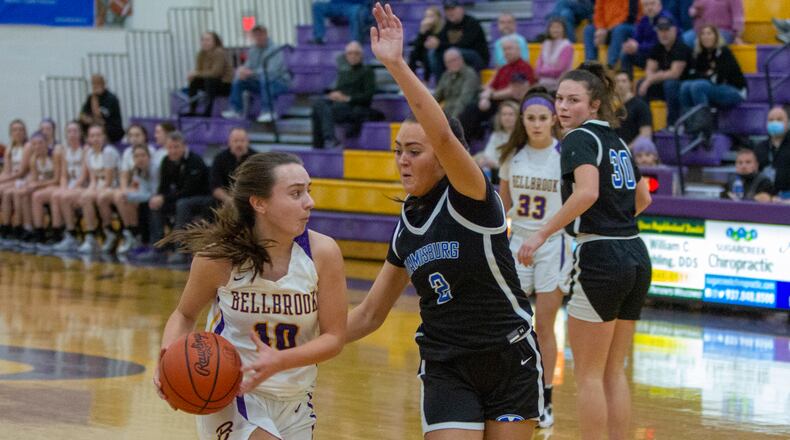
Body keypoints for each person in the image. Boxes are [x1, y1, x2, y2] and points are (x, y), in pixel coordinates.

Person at [346, 5, 544, 439]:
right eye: (398, 150)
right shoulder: (407, 224)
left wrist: (396, 65)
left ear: (443, 155)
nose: (402, 160)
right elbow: (369, 313)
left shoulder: (473, 198)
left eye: (414, 151)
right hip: (446, 366)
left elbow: (441, 133)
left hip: (509, 359)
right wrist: (298, 349)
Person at [153, 151, 347, 440]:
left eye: (308, 190)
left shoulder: (323, 253)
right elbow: (185, 314)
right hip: (233, 392)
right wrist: (167, 360)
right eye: (296, 193)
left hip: (296, 400)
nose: (310, 202)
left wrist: (281, 361)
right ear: (259, 203)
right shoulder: (219, 257)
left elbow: (334, 337)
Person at [518, 62, 653, 440]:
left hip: (602, 257)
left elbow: (588, 192)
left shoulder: (578, 139)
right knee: (613, 370)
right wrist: (614, 217)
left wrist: (541, 234)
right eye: (559, 98)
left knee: (590, 375)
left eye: (573, 100)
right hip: (636, 253)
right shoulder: (618, 141)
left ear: (594, 105)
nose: (562, 107)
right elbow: (643, 197)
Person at [497, 87, 571, 430]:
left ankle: (546, 399)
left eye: (543, 118)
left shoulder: (565, 156)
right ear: (522, 121)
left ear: (554, 119)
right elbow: (502, 206)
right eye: (531, 118)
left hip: (552, 243)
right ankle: (510, 389)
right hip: (518, 242)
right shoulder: (513, 156)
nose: (537, 124)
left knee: (544, 325)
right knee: (508, 322)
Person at [96, 124, 165, 253]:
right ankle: (113, 233)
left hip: (153, 193)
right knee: (106, 197)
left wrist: (128, 195)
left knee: (123, 198)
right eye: (131, 135)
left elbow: (153, 191)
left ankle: (134, 234)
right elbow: (125, 176)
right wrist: (125, 191)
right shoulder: (129, 154)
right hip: (136, 188)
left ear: (145, 136)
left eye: (137, 135)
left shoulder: (152, 155)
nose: (134, 138)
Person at [146, 131, 211, 264]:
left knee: (182, 204)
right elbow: (163, 187)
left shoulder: (195, 161)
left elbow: (189, 190)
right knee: (154, 203)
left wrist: (164, 198)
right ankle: (157, 246)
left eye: (176, 147)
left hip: (202, 199)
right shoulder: (166, 161)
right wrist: (159, 197)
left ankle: (179, 249)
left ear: (184, 146)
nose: (173, 151)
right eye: (170, 147)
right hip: (180, 198)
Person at [459, 36, 535, 140]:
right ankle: (463, 143)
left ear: (518, 50)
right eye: (504, 49)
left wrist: (490, 95)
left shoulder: (524, 67)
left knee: (491, 119)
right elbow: (491, 86)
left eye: (509, 48)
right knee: (470, 109)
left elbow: (514, 91)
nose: (506, 52)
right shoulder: (503, 68)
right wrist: (485, 98)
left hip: (511, 103)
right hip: (496, 102)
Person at [310, 41, 376, 149]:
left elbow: (368, 96)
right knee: (317, 104)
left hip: (353, 106)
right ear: (346, 55)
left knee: (327, 109)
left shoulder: (367, 71)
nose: (352, 56)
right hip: (338, 104)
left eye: (356, 53)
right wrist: (334, 94)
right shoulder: (344, 72)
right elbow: (340, 89)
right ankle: (323, 143)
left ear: (361, 55)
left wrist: (347, 98)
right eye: (349, 53)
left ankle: (326, 141)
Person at [222, 25, 291, 123]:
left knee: (265, 78)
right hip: (261, 82)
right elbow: (248, 65)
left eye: (260, 34)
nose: (258, 37)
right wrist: (242, 70)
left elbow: (271, 71)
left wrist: (251, 73)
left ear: (266, 35)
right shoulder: (252, 50)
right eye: (256, 35)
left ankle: (268, 111)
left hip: (280, 82)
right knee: (239, 80)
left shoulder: (276, 49)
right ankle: (236, 110)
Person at [679, 25, 746, 115]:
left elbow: (719, 79)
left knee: (698, 86)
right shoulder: (700, 54)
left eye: (709, 34)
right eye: (703, 34)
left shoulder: (723, 52)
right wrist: (708, 75)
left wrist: (704, 75)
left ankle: (704, 122)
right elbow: (691, 75)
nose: (706, 37)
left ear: (716, 36)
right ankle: (689, 123)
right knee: (685, 86)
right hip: (714, 87)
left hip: (735, 90)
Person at [39, 121, 85, 251]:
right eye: (69, 131)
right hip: (71, 185)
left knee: (63, 197)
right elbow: (64, 175)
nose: (72, 134)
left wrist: (70, 189)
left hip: (82, 185)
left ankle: (72, 234)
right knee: (56, 195)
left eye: (75, 131)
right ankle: (58, 234)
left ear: (80, 133)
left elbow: (84, 176)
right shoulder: (65, 150)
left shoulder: (85, 149)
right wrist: (64, 187)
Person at [10, 132, 62, 247]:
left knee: (36, 196)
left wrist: (37, 185)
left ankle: (45, 233)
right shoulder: (33, 159)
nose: (37, 146)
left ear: (46, 143)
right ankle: (29, 229)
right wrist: (28, 186)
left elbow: (57, 179)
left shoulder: (54, 155)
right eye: (34, 144)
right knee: (23, 193)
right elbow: (34, 179)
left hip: (56, 185)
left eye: (40, 143)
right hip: (44, 186)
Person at [637, 15, 690, 126]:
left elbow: (675, 73)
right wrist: (648, 81)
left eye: (667, 30)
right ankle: (644, 125)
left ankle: (673, 124)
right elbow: (649, 69)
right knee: (640, 84)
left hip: (682, 86)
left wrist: (650, 80)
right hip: (663, 84)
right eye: (661, 30)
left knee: (670, 84)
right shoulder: (657, 47)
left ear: (674, 30)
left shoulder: (681, 47)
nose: (663, 34)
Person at [76, 124, 121, 254]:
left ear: (104, 137)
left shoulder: (109, 152)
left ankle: (109, 231)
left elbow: (108, 181)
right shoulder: (89, 153)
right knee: (85, 196)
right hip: (100, 187)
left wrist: (92, 192)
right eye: (92, 136)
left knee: (99, 197)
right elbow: (93, 180)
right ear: (88, 139)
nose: (95, 139)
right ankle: (91, 236)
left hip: (114, 187)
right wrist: (88, 191)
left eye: (98, 135)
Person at [430, 0, 489, 76]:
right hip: (456, 53)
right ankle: (441, 83)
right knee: (433, 53)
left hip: (477, 58)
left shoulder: (472, 22)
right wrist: (423, 33)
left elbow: (464, 44)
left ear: (461, 9)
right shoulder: (446, 24)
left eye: (453, 9)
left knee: (453, 52)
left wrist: (439, 44)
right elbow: (439, 42)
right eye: (447, 10)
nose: (450, 12)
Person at [621, 0, 675, 75]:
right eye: (646, 5)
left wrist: (638, 47)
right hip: (647, 54)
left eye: (652, 3)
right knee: (626, 54)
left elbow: (660, 45)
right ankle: (626, 83)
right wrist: (630, 45)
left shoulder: (665, 19)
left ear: (660, 5)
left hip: (663, 57)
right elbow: (636, 37)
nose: (649, 7)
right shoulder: (644, 19)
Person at [583, 0, 641, 69]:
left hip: (628, 27)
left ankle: (611, 65)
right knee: (588, 30)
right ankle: (590, 65)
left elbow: (629, 16)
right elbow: (598, 12)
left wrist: (607, 30)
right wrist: (600, 28)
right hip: (608, 29)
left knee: (619, 29)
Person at [186, 31, 233, 117]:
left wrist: (196, 73)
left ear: (215, 42)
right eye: (203, 40)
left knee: (210, 81)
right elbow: (199, 71)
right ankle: (192, 109)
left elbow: (216, 73)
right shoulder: (201, 54)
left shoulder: (219, 52)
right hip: (210, 82)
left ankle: (208, 112)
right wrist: (193, 75)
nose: (205, 42)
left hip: (225, 84)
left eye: (208, 40)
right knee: (194, 81)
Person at [0, 120, 30, 243]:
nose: (17, 132)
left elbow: (22, 172)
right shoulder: (9, 148)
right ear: (10, 133)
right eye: (14, 130)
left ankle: (17, 226)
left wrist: (3, 181)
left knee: (7, 192)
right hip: (13, 178)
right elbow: (7, 171)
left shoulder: (27, 146)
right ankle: (6, 226)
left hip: (25, 179)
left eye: (20, 129)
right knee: (3, 190)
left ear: (24, 132)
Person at [752, 106, 790, 199]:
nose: (775, 122)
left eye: (779, 119)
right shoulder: (760, 147)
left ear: (788, 122)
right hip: (765, 198)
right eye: (771, 120)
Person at [210, 128, 254, 206]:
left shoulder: (255, 158)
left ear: (248, 142)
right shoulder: (220, 158)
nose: (239, 144)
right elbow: (215, 187)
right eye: (236, 141)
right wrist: (228, 200)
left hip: (249, 199)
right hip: (225, 200)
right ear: (229, 142)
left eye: (242, 141)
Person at [432, 48, 480, 119]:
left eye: (454, 60)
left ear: (461, 59)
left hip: (463, 114)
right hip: (447, 113)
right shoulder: (446, 75)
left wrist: (453, 119)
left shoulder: (470, 74)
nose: (452, 64)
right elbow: (436, 97)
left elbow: (464, 100)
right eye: (448, 62)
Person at [473, 100, 519, 172]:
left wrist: (494, 164)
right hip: (494, 172)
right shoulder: (496, 135)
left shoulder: (522, 137)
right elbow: (488, 155)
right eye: (504, 114)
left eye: (511, 114)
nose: (507, 118)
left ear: (518, 117)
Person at [79, 74, 124, 144]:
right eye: (93, 83)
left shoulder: (111, 98)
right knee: (77, 125)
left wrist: (95, 100)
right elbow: (82, 115)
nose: (95, 86)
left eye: (98, 83)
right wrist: (87, 119)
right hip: (95, 124)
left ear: (103, 84)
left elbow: (99, 117)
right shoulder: (90, 97)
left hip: (112, 128)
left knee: (100, 127)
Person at [615, 71, 653, 146]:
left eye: (624, 81)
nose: (620, 84)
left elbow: (645, 134)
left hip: (634, 153)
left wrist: (628, 149)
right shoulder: (613, 107)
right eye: (617, 81)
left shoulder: (641, 106)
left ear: (631, 83)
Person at [535, 18, 574, 91]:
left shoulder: (567, 46)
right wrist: (540, 72)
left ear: (564, 29)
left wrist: (542, 71)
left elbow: (559, 70)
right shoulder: (545, 43)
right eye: (552, 27)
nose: (555, 30)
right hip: (543, 82)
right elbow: (538, 66)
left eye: (558, 27)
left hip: (559, 83)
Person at [408, 6, 444, 83]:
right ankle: (411, 82)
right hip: (426, 55)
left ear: (438, 17)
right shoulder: (426, 29)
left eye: (431, 16)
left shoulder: (443, 28)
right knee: (413, 54)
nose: (428, 19)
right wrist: (422, 32)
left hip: (440, 55)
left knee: (429, 54)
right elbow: (417, 46)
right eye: (427, 16)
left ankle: (427, 81)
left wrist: (437, 44)